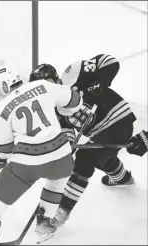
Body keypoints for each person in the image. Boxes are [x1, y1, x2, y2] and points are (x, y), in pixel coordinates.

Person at [0, 65, 83, 245]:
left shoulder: (0, 110)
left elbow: (4, 149)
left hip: (27, 165)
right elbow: (75, 100)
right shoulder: (43, 85)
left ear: (3, 87)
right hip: (62, 157)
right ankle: (44, 222)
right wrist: (66, 110)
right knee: (56, 184)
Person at [44, 54, 137, 238]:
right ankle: (122, 178)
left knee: (85, 159)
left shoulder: (73, 72)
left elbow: (109, 62)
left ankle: (61, 213)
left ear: (55, 77)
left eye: (48, 83)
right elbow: (68, 132)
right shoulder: (54, 109)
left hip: (119, 119)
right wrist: (67, 145)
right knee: (100, 157)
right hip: (101, 135)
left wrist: (99, 84)